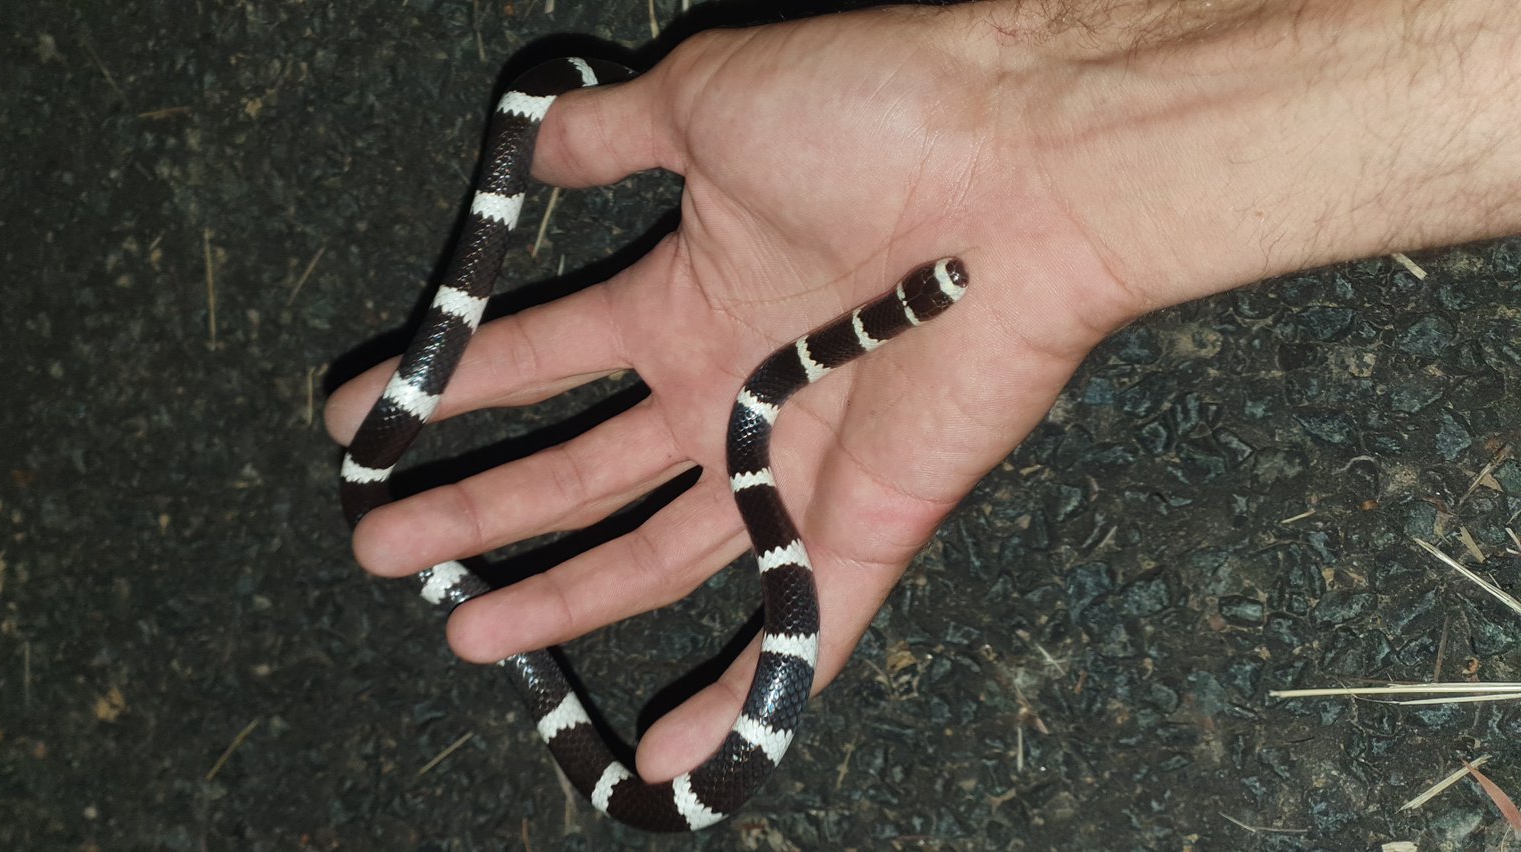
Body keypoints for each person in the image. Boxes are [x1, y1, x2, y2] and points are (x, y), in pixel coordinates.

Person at [327, 0, 1520, 784]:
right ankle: (389, 487)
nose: (945, 283)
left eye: (929, 287)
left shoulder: (769, 410)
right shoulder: (767, 398)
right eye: (932, 288)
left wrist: (1030, 130)